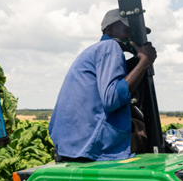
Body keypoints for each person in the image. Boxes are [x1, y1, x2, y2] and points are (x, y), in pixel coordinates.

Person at [49, 9, 157, 162]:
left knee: (139, 125)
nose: (132, 36)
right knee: (150, 137)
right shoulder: (110, 47)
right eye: (127, 29)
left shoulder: (96, 51)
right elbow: (112, 99)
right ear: (109, 30)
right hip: (90, 140)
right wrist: (145, 62)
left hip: (73, 141)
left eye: (136, 32)